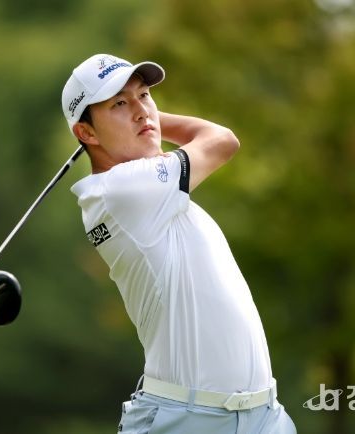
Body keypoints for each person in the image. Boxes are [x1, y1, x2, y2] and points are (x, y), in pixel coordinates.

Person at [61, 54, 296, 434]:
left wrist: (140, 119)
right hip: (187, 420)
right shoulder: (124, 190)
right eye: (119, 103)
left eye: (144, 95)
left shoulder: (144, 193)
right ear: (86, 133)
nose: (141, 110)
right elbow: (222, 140)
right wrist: (152, 121)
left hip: (264, 416)